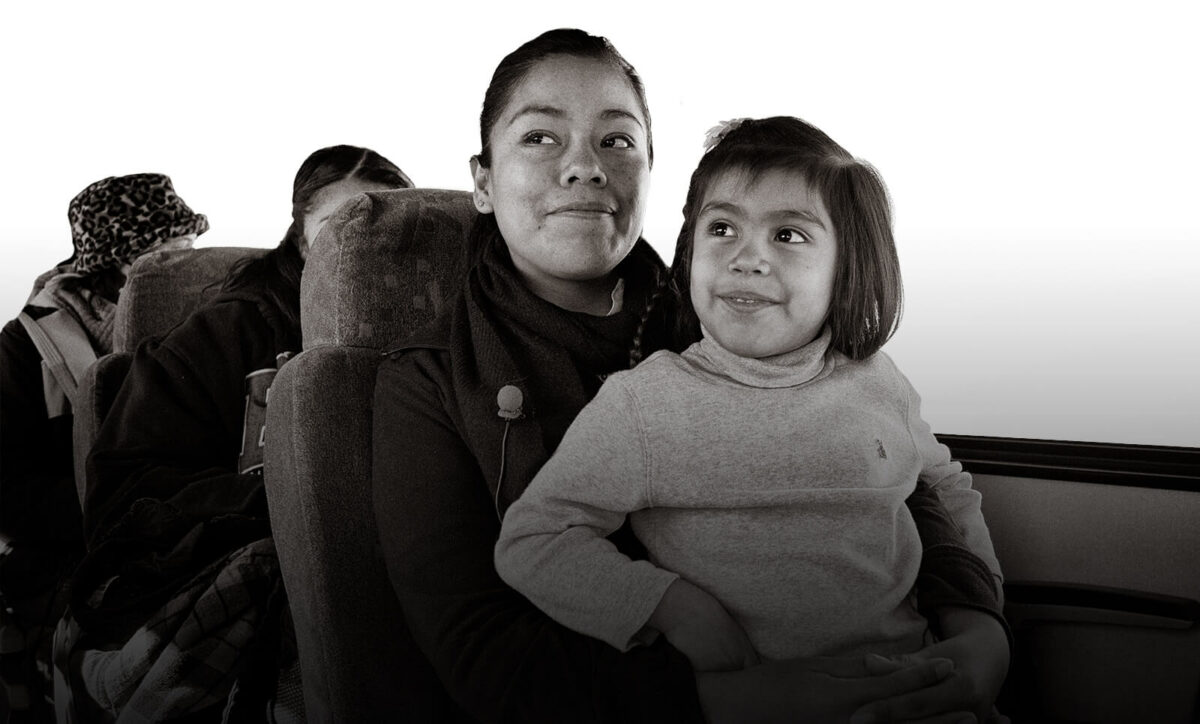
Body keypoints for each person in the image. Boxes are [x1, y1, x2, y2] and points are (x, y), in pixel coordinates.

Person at [373, 29, 1005, 723]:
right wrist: (742, 697)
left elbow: (899, 485)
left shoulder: (746, 330)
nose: (584, 167)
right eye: (541, 138)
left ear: (649, 171)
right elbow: (487, 658)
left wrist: (977, 628)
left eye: (616, 141)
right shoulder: (431, 384)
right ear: (484, 183)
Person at [494, 115, 1010, 720]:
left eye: (788, 236)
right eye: (722, 228)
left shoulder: (878, 382)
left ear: (848, 268)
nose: (746, 258)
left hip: (918, 690)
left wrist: (982, 623)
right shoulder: (647, 403)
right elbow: (535, 538)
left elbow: (944, 489)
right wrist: (672, 606)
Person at [64, 146, 413, 722]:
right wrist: (279, 502)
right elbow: (125, 493)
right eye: (338, 229)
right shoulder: (226, 330)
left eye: (388, 228)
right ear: (301, 237)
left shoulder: (434, 335)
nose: (363, 250)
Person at [0, 173, 206, 719]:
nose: (186, 264)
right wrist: (109, 519)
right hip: (68, 556)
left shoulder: (204, 329)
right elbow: (7, 485)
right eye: (169, 251)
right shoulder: (24, 351)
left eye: (189, 249)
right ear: (120, 261)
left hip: (178, 538)